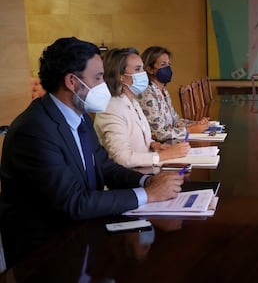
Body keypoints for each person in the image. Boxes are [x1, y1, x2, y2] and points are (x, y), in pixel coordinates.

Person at [0, 37, 184, 268]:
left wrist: (147, 181)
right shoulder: (34, 130)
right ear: (72, 82)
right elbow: (73, 202)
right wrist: (149, 195)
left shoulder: (79, 116)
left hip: (81, 235)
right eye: (98, 78)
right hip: (45, 255)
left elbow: (104, 166)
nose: (105, 85)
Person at [94, 47, 190, 168]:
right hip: (130, 179)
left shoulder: (132, 101)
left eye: (143, 68)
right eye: (137, 69)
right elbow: (122, 158)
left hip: (147, 171)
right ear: (120, 76)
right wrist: (163, 156)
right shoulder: (111, 109)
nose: (143, 74)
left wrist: (153, 144)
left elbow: (139, 138)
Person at [136, 46, 209, 142]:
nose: (168, 68)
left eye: (169, 64)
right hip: (159, 147)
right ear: (150, 69)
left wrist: (196, 124)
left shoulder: (163, 91)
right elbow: (159, 134)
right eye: (163, 64)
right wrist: (189, 130)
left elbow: (175, 121)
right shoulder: (147, 94)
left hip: (171, 142)